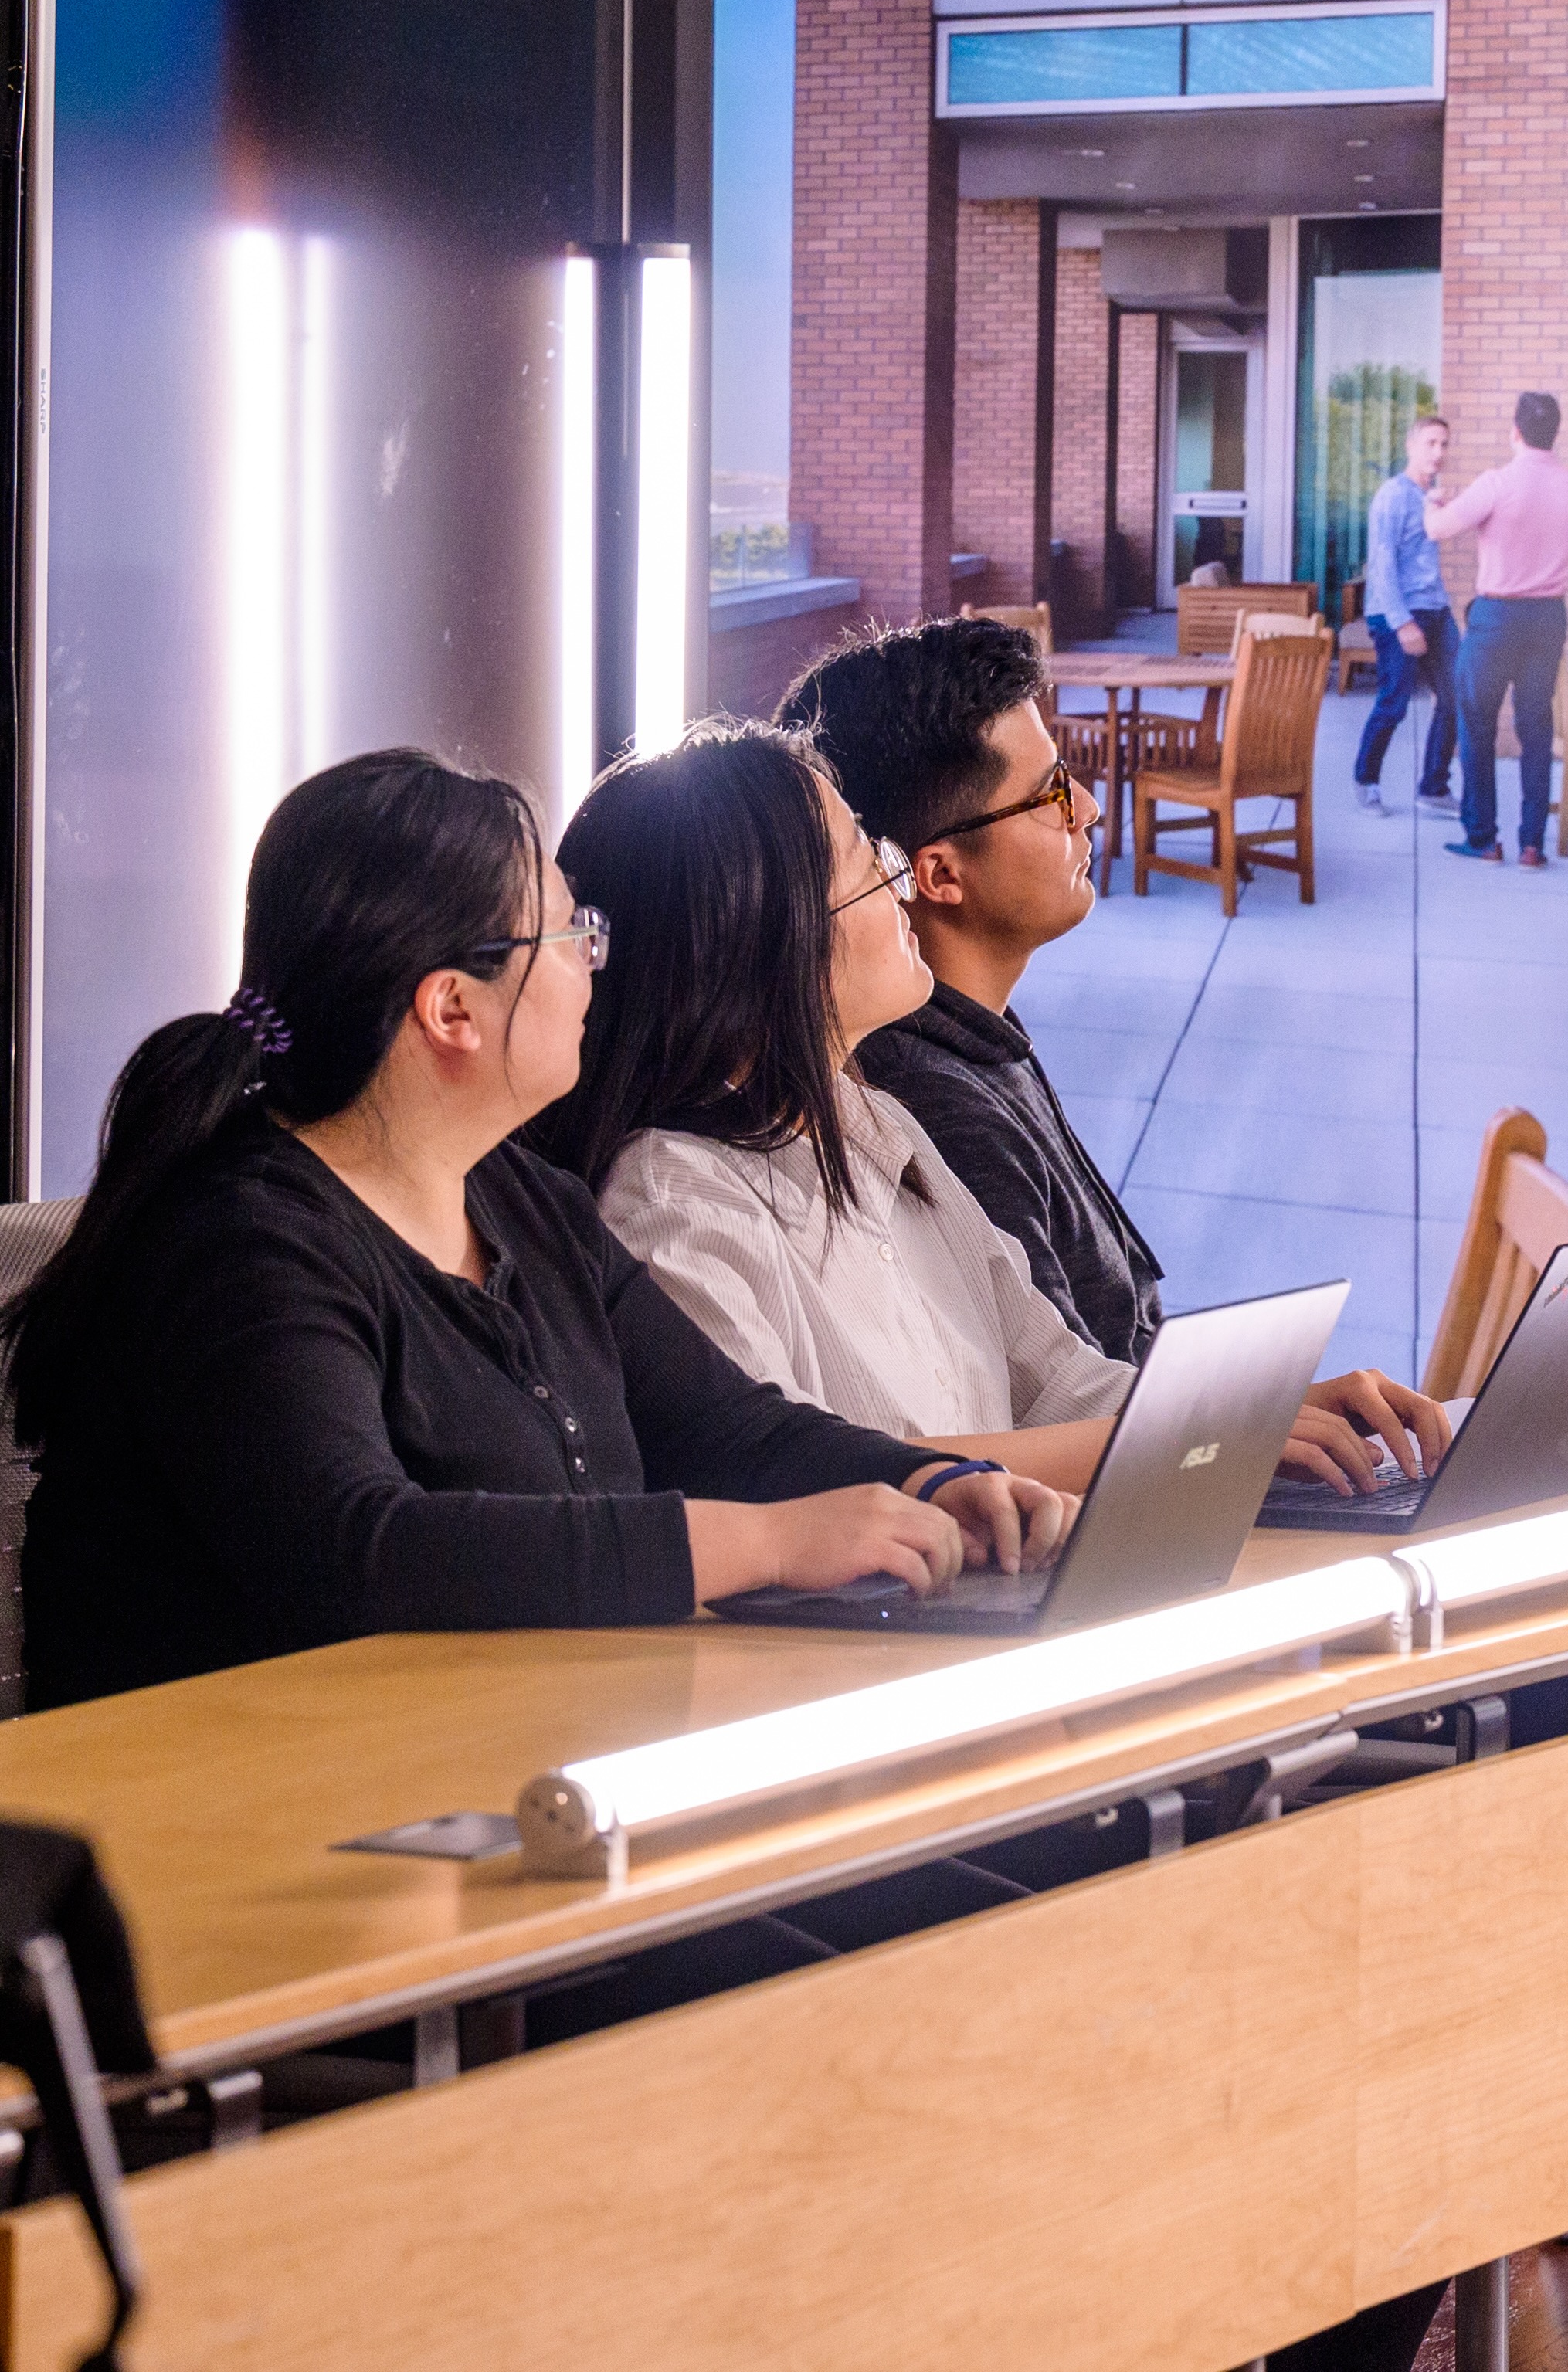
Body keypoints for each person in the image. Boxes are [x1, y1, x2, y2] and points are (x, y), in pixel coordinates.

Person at [12, 748, 1044, 1713]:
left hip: (498, 1760)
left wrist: (937, 1485)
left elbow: (725, 1427)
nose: (595, 965)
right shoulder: (241, 1245)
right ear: (452, 1010)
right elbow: (363, 1552)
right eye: (568, 935)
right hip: (240, 1819)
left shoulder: (521, 1200)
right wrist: (766, 1544)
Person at [534, 725, 1441, 1500]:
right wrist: (1191, 1435)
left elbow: (1065, 1384)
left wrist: (1257, 1410)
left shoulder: (870, 1120)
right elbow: (798, 1490)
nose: (902, 886)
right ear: (765, 934)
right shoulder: (674, 1207)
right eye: (869, 860)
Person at [782, 613, 1167, 1365]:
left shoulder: (976, 1033)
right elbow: (1065, 1418)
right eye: (1052, 793)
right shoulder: (934, 1109)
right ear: (937, 874)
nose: (1087, 807)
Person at [1431, 387, 1568, 866]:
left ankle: (1482, 838)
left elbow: (1438, 530)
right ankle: (1532, 844)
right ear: (1554, 434)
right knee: (1536, 728)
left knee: (1476, 723)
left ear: (1515, 432)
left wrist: (1432, 502)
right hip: (1548, 619)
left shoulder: (1497, 482)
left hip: (1497, 617)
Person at [1353, 410, 1459, 816]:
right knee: (1394, 702)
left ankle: (1433, 787)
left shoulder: (1428, 496)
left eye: (1444, 444)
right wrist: (1402, 623)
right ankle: (1366, 780)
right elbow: (1381, 565)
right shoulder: (1393, 495)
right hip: (1396, 613)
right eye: (1430, 443)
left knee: (1455, 696)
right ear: (1410, 447)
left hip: (1435, 608)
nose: (1438, 451)